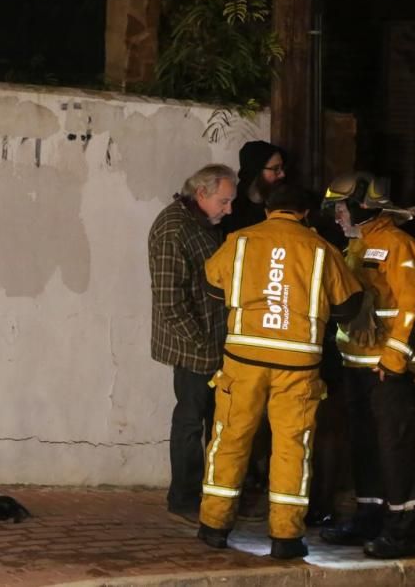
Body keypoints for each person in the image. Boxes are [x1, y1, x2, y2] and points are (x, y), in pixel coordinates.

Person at [196, 183, 365, 560]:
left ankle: (213, 527)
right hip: (298, 367)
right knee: (292, 448)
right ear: (304, 213)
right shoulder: (321, 249)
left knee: (230, 440)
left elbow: (210, 286)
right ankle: (286, 537)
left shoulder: (240, 241)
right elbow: (349, 307)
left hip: (243, 363)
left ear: (268, 210)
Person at [319, 171, 415, 559]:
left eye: (340, 207)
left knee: (392, 445)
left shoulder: (399, 245)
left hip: (386, 370)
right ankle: (369, 515)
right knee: (364, 445)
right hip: (356, 367)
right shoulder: (357, 246)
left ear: (361, 205)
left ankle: (402, 525)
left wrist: (395, 360)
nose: (337, 215)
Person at [148, 163, 238, 524]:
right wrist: (201, 344)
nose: (228, 209)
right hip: (194, 348)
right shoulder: (174, 229)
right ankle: (184, 497)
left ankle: (206, 494)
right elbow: (170, 301)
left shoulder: (198, 223)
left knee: (211, 421)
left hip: (211, 342)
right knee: (190, 421)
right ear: (201, 194)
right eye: (224, 201)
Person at [219, 139, 288, 521]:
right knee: (236, 421)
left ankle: (258, 480)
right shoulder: (237, 215)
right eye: (273, 169)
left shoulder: (282, 212)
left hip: (278, 331)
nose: (280, 176)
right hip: (241, 334)